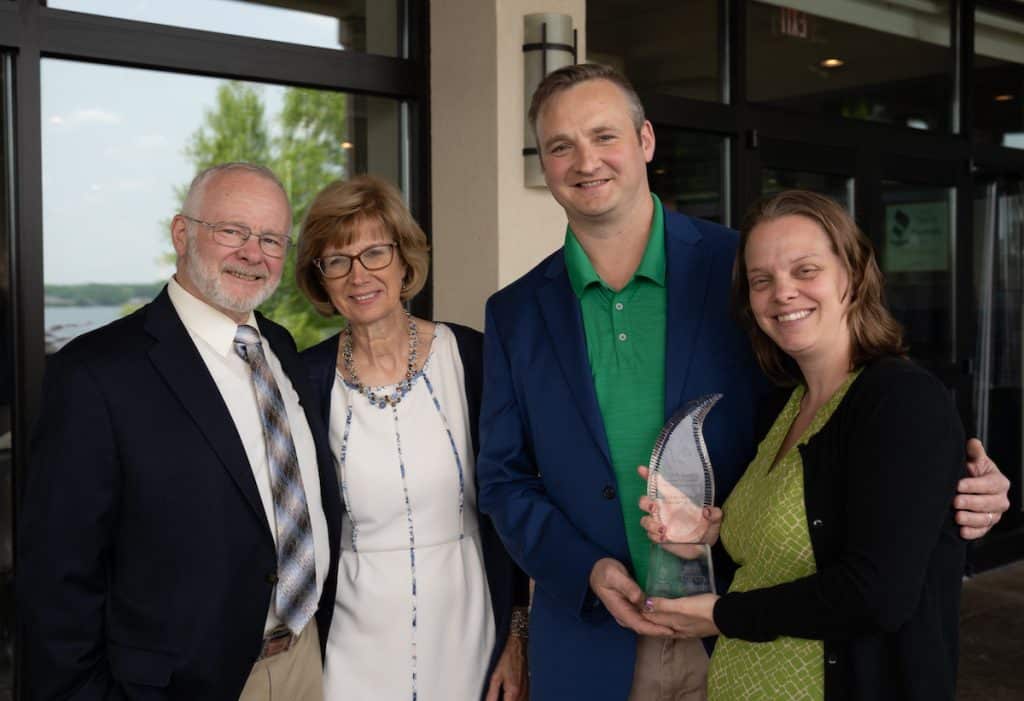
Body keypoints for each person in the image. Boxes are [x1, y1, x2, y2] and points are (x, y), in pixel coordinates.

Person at [475, 63, 1010, 701]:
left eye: (604, 136)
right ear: (546, 163)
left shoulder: (745, 268)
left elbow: (846, 406)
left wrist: (958, 478)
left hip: (750, 634)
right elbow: (505, 480)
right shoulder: (513, 313)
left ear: (645, 141)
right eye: (561, 145)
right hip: (592, 639)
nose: (586, 161)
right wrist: (586, 571)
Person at [17, 162, 343, 700]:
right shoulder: (97, 374)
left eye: (271, 239)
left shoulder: (281, 348)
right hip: (176, 686)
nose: (252, 252)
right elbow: (56, 581)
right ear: (181, 233)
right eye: (232, 231)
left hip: (305, 662)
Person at [641, 190, 968, 700]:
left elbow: (878, 594)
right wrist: (709, 538)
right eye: (762, 281)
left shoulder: (900, 399)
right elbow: (777, 568)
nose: (782, 293)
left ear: (854, 276)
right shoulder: (784, 407)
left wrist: (723, 615)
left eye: (805, 270)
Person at [295, 174, 530, 701]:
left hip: (470, 627)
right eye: (337, 260)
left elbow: (516, 498)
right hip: (353, 643)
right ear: (322, 280)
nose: (359, 275)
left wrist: (518, 636)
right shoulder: (305, 381)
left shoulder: (473, 358)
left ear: (404, 261)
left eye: (375, 253)